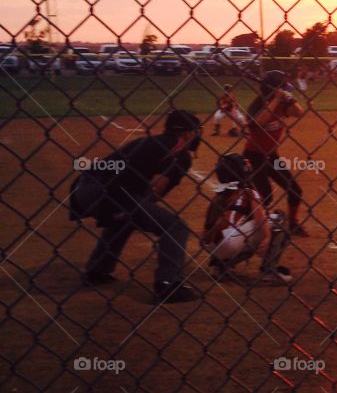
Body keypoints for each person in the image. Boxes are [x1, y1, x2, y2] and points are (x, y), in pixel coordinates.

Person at [76, 109, 203, 303]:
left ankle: (98, 269)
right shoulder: (180, 150)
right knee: (175, 226)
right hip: (109, 192)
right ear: (186, 133)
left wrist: (138, 209)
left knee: (127, 218)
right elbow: (156, 185)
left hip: (83, 188)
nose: (196, 136)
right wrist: (143, 207)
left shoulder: (151, 141)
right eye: (194, 131)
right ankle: (168, 284)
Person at [202, 154, 292, 285]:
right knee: (279, 218)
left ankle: (221, 265)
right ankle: (269, 271)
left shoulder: (217, 197)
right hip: (231, 241)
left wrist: (219, 230)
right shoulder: (248, 192)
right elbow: (261, 218)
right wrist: (266, 237)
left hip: (213, 248)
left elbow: (205, 236)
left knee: (243, 232)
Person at [243, 70, 307, 235]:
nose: (286, 90)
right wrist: (276, 99)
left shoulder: (281, 104)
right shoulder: (255, 106)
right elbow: (258, 122)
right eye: (283, 88)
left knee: (295, 190)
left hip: (271, 156)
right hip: (253, 157)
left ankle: (293, 223)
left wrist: (289, 99)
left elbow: (299, 112)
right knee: (265, 195)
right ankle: (249, 223)